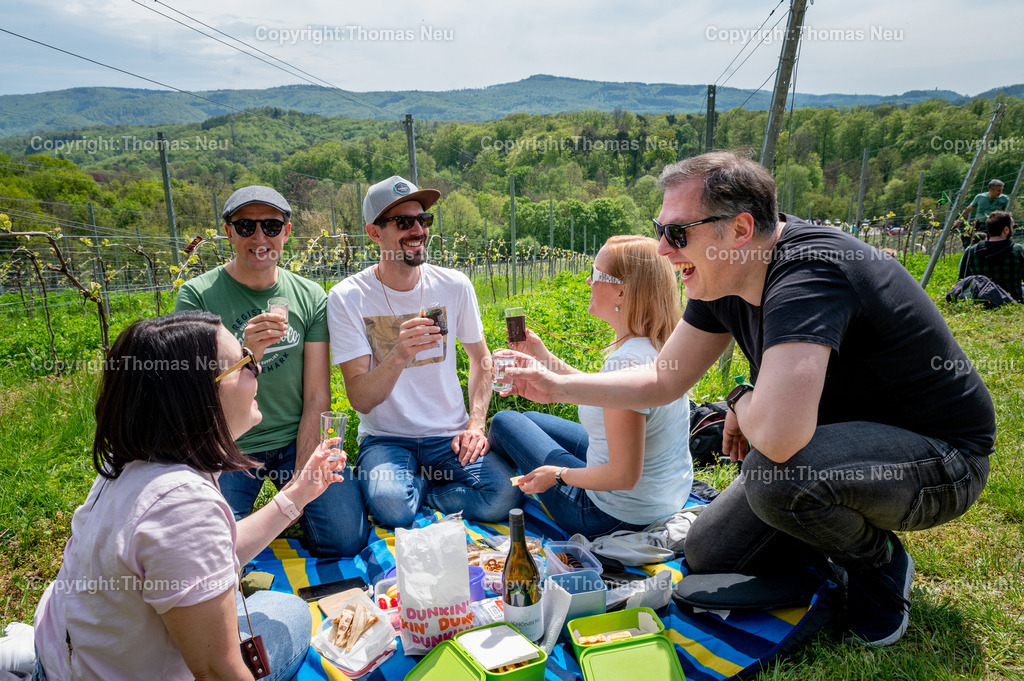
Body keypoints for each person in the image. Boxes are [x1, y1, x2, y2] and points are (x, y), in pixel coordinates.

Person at [503, 151, 994, 647]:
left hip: (941, 458)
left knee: (778, 478)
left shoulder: (808, 276)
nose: (662, 249)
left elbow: (779, 438)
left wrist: (742, 402)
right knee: (708, 552)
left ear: (738, 229)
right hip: (834, 446)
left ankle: (879, 565)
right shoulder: (723, 275)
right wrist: (556, 385)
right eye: (660, 229)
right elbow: (662, 381)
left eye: (676, 233)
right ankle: (822, 540)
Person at [32, 311, 350, 681]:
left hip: (62, 657)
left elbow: (212, 546)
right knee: (290, 613)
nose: (258, 370)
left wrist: (299, 491)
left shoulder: (135, 460)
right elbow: (218, 672)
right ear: (198, 395)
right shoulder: (182, 506)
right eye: (245, 363)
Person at [175, 185, 369, 557]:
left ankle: (283, 515)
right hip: (226, 446)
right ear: (229, 233)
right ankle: (264, 521)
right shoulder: (197, 297)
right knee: (210, 553)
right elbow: (192, 392)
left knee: (346, 538)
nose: (260, 237)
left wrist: (302, 475)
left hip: (295, 438)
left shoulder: (311, 297)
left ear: (287, 233)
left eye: (271, 226)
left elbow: (316, 395)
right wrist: (246, 353)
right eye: (246, 227)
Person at [327, 176, 518, 528]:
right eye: (403, 222)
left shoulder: (454, 285)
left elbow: (482, 359)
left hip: (449, 436)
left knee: (503, 496)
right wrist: (399, 353)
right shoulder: (347, 297)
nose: (418, 229)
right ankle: (408, 488)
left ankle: (427, 491)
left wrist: (476, 424)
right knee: (392, 510)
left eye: (423, 220)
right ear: (374, 233)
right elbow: (360, 400)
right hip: (386, 440)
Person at [488, 235, 692, 538]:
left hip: (611, 514)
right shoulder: (658, 346)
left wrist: (557, 476)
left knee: (505, 422)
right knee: (527, 421)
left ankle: (494, 492)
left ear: (621, 292)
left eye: (596, 274)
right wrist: (545, 359)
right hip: (663, 497)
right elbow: (605, 391)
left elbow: (624, 475)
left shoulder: (626, 363)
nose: (587, 281)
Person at [958, 211, 1024, 303]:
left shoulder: (971, 251)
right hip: (1013, 300)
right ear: (1006, 229)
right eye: (1013, 227)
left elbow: (963, 280)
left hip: (980, 301)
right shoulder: (1018, 250)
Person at [957, 179, 1009, 248]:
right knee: (966, 237)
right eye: (998, 190)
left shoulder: (1004, 199)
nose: (1001, 192)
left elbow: (1007, 213)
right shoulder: (980, 197)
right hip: (979, 223)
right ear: (991, 189)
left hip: (995, 225)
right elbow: (968, 209)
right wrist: (959, 221)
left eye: (1002, 190)